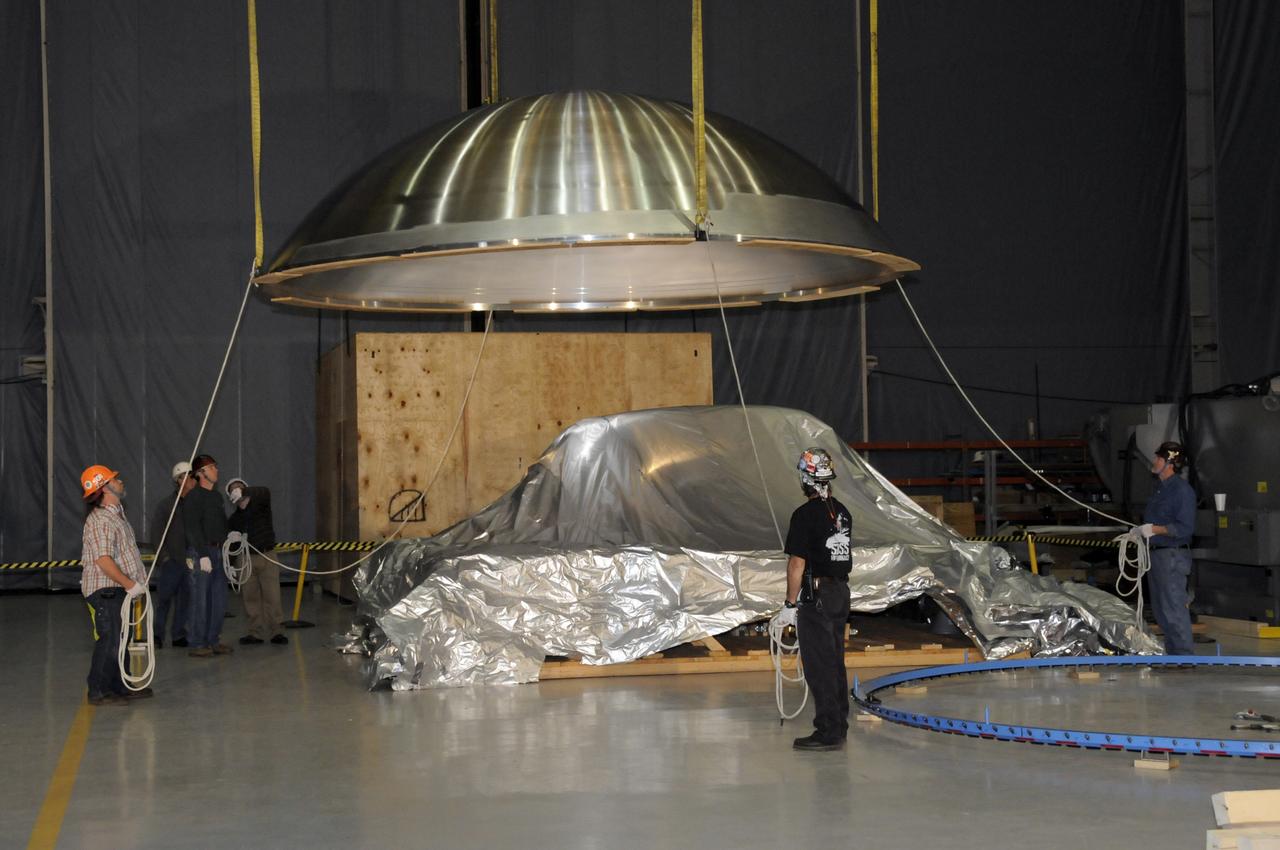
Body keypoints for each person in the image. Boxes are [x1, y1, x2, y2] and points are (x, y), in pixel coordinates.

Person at [776, 447, 854, 751]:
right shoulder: (843, 511)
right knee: (834, 660)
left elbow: (797, 564)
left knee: (819, 664)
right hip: (839, 593)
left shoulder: (804, 515)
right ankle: (839, 723)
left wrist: (789, 605)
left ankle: (827, 731)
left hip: (817, 595)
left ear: (804, 478)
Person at [80, 464, 154, 704]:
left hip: (117, 589)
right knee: (111, 639)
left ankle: (120, 686)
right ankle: (99, 690)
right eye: (115, 479)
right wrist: (129, 583)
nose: (120, 482)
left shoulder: (116, 515)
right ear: (105, 487)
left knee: (121, 639)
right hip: (106, 590)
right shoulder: (101, 520)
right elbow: (103, 560)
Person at [1138, 440, 1197, 656]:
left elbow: (1185, 527)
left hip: (1172, 556)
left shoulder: (1181, 491)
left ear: (1169, 463)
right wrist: (1144, 532)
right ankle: (1174, 655)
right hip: (1157, 555)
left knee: (1173, 607)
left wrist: (1155, 529)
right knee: (1162, 609)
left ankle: (1184, 657)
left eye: (1159, 459)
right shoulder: (1160, 490)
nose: (1155, 462)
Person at [226, 476, 288, 646]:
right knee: (250, 597)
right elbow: (231, 546)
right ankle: (255, 632)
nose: (237, 490)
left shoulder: (262, 506)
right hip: (245, 559)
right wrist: (231, 566)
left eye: (239, 487)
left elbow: (264, 490)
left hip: (267, 555)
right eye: (233, 490)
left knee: (273, 596)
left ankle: (277, 631)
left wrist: (245, 491)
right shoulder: (234, 520)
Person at [183, 453, 233, 658]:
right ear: (201, 473)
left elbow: (220, 523)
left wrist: (230, 535)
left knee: (218, 599)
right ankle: (197, 642)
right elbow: (192, 527)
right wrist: (202, 554)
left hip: (218, 551)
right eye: (212, 467)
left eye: (215, 466)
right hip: (200, 552)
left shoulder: (216, 496)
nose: (216, 470)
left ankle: (213, 639)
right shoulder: (194, 497)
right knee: (200, 600)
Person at [150, 461, 195, 648]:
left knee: (185, 600)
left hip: (190, 562)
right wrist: (165, 559)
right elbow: (156, 533)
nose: (193, 480)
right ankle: (157, 635)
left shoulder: (196, 504)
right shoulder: (166, 505)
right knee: (164, 600)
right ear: (180, 480)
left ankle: (178, 635)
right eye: (190, 476)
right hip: (172, 563)